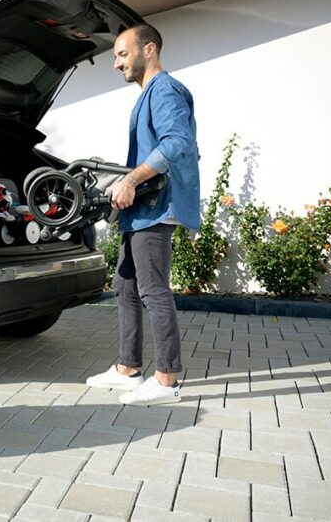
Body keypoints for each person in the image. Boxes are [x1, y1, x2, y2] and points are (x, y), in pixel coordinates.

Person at [85, 23, 200, 406]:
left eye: (122, 53)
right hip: (140, 211)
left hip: (155, 208)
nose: (116, 63)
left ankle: (166, 381)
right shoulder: (146, 94)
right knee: (124, 285)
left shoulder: (165, 89)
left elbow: (178, 144)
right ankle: (128, 369)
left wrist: (132, 179)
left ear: (148, 49)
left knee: (153, 289)